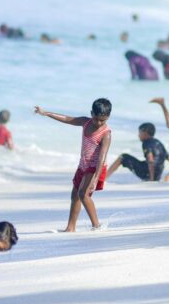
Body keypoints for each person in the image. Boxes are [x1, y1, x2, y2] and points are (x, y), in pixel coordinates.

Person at [34, 99, 112, 232]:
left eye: (102, 120)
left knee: (83, 194)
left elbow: (102, 157)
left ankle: (96, 226)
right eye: (96, 119)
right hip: (83, 165)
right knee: (75, 195)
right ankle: (70, 227)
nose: (99, 123)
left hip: (95, 168)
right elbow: (67, 119)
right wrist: (46, 113)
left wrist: (96, 178)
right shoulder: (85, 122)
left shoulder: (106, 134)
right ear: (91, 113)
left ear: (108, 117)